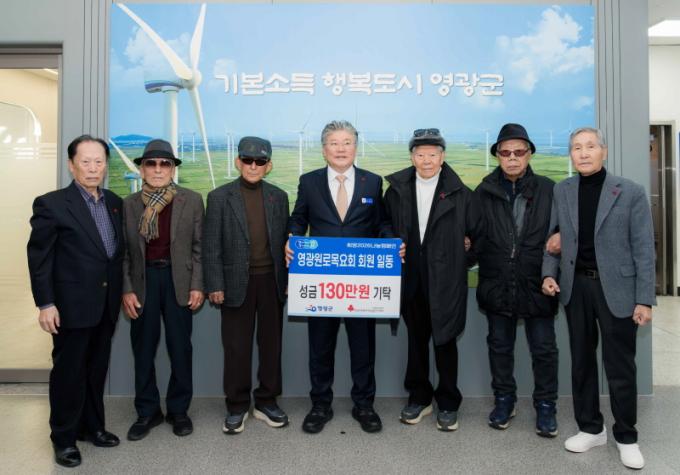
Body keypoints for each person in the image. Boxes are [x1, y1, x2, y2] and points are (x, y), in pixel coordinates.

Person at [542, 127, 655, 469]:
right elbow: (553, 239)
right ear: (571, 155)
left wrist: (644, 298)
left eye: (590, 146)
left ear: (603, 151)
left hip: (618, 289)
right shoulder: (563, 190)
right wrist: (548, 274)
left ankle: (626, 436)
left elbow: (644, 249)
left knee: (620, 366)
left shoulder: (630, 192)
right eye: (577, 147)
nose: (583, 153)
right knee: (581, 361)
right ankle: (591, 428)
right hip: (576, 287)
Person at [286, 120, 392, 434]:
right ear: (324, 150)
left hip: (361, 283)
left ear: (355, 147)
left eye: (347, 142)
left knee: (363, 347)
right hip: (321, 281)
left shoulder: (373, 182)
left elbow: (381, 223)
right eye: (334, 143)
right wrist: (291, 239)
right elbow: (298, 218)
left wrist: (391, 242)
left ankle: (364, 405)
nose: (341, 148)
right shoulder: (309, 181)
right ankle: (320, 405)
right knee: (320, 347)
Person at [27, 135, 124, 468]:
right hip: (70, 306)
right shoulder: (51, 204)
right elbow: (39, 258)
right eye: (86, 161)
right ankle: (64, 439)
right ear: (72, 165)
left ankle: (92, 427)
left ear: (105, 166)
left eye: (99, 162)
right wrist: (45, 304)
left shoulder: (114, 202)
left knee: (96, 370)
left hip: (105, 304)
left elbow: (114, 255)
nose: (93, 168)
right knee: (69, 373)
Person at [383, 128, 482, 431]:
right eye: (420, 154)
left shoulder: (462, 194)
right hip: (410, 277)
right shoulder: (396, 190)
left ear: (442, 157)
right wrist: (391, 241)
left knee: (445, 340)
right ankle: (419, 397)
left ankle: (448, 403)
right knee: (416, 340)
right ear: (412, 157)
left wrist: (460, 258)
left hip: (446, 281)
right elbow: (383, 223)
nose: (426, 160)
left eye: (432, 154)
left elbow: (479, 237)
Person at [475, 123, 559, 437]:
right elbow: (473, 235)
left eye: (519, 152)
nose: (512, 158)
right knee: (499, 347)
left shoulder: (550, 190)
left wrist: (563, 236)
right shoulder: (483, 192)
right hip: (496, 283)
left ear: (529, 154)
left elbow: (566, 230)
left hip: (538, 283)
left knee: (544, 350)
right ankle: (504, 401)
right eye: (505, 152)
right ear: (497, 156)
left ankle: (546, 406)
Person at [203, 137, 290, 434]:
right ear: (238, 162)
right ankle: (237, 406)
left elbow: (286, 243)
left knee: (271, 346)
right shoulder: (218, 197)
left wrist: (288, 280)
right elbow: (211, 245)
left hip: (271, 282)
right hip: (234, 283)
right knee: (236, 347)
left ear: (269, 166)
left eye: (260, 161)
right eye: (248, 160)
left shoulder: (279, 197)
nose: (253, 166)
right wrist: (215, 283)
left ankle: (266, 401)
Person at [121, 139, 204, 441]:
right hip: (143, 284)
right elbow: (124, 253)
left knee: (180, 348)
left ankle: (178, 411)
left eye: (164, 164)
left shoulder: (192, 200)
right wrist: (127, 289)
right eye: (151, 164)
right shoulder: (129, 205)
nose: (158, 170)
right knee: (143, 349)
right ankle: (147, 411)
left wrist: (197, 284)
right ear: (142, 169)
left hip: (178, 281)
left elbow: (199, 247)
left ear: (172, 169)